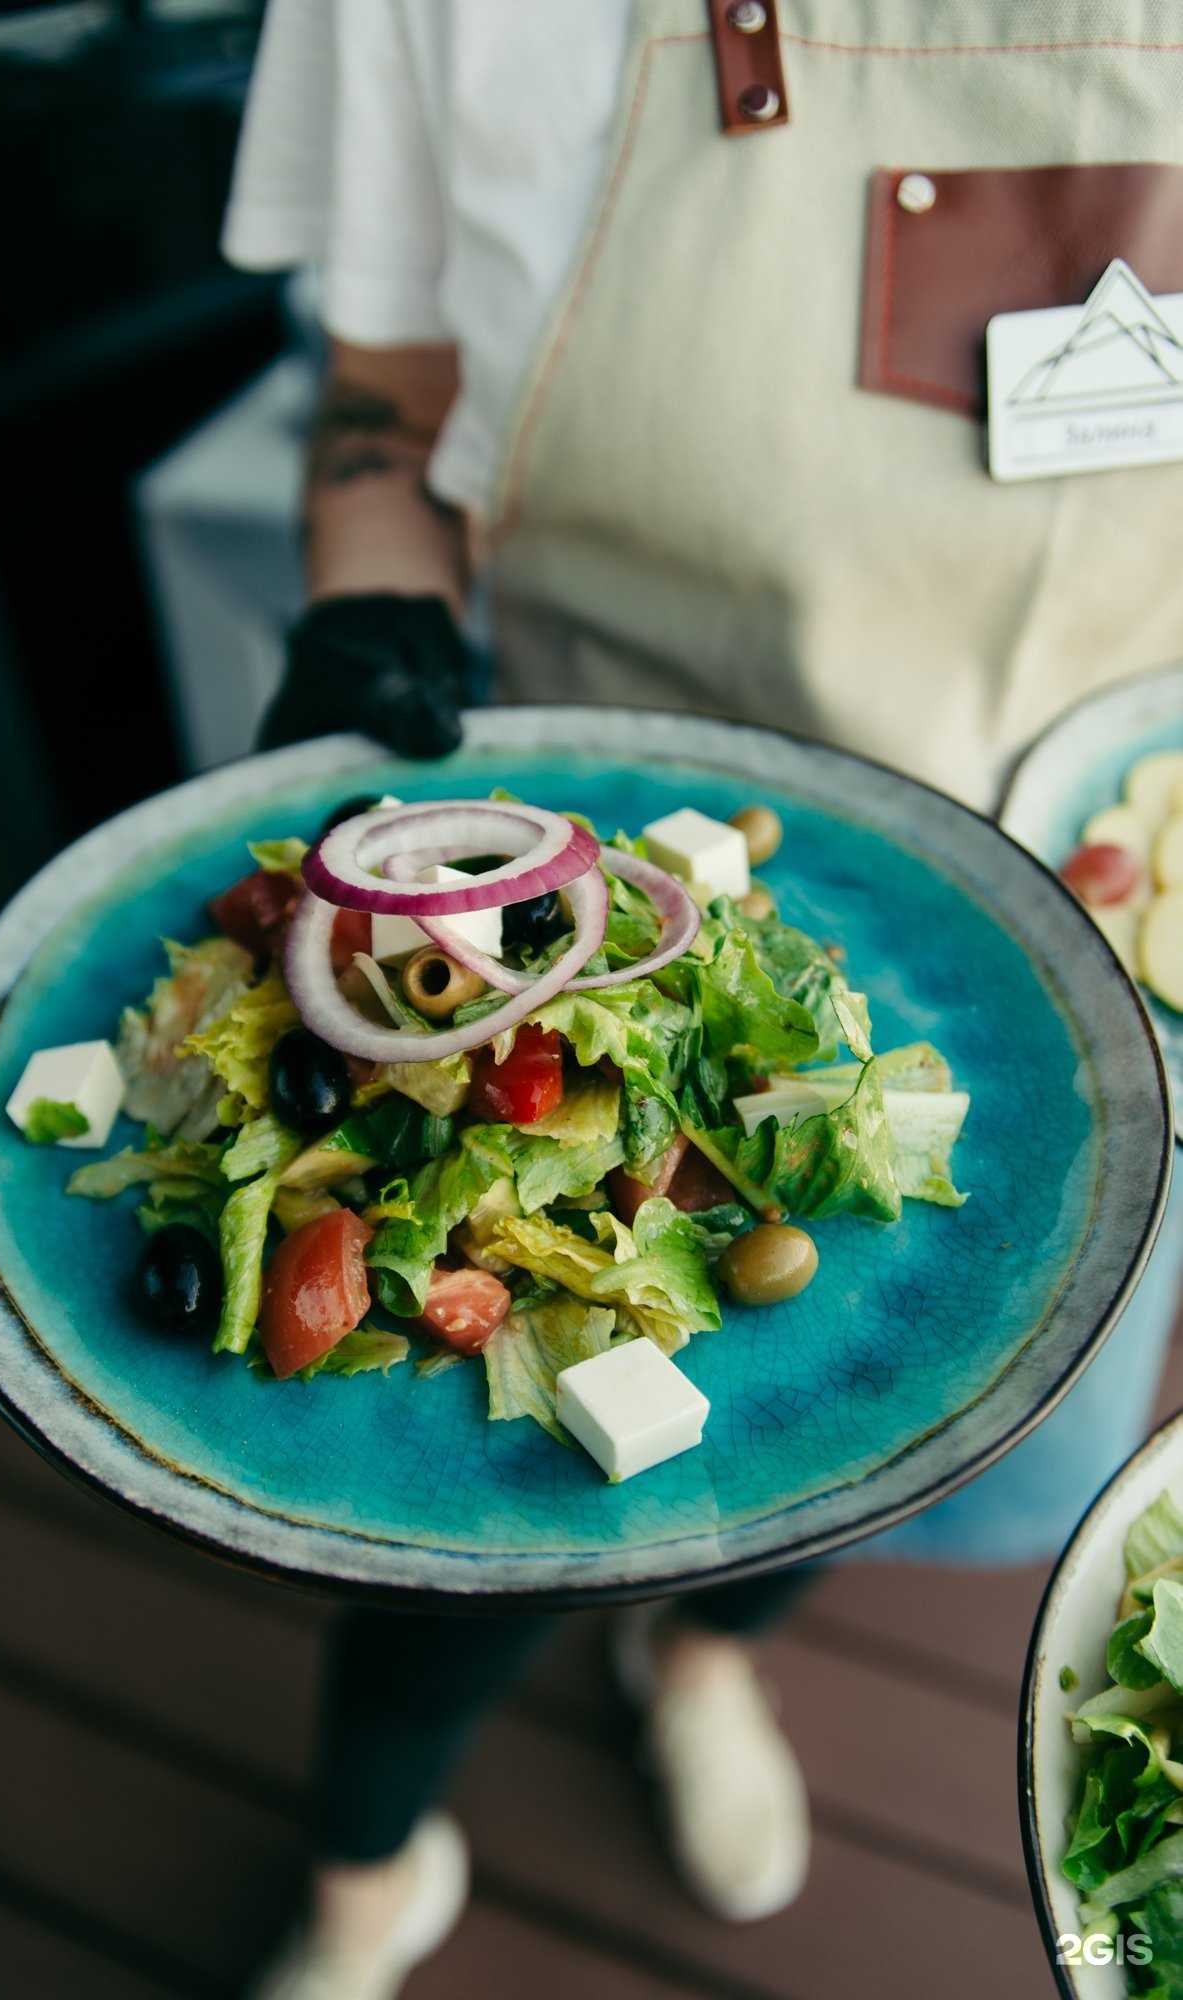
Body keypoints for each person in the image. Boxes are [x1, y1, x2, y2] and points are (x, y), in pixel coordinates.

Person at [222, 6, 1183, 1994]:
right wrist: (366, 616)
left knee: (866, 1420)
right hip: (594, 964)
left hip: (1089, 961)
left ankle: (701, 1648)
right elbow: (390, 397)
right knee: (460, 1507)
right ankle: (357, 1869)